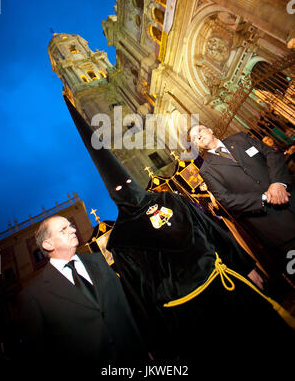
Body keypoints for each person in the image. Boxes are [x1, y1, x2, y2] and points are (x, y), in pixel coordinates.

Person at [63, 96, 294, 370]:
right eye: (119, 188)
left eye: (128, 180)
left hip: (225, 285)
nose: (126, 186)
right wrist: (159, 343)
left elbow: (213, 230)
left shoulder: (171, 199)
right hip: (187, 314)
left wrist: (246, 266)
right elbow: (138, 294)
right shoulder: (119, 240)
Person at [18, 215, 147, 368]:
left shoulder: (100, 260)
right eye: (63, 230)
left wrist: (145, 350)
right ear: (48, 244)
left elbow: (125, 307)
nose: (72, 230)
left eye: (71, 226)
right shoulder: (34, 295)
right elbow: (40, 354)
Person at [188, 124, 295, 285]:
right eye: (194, 138)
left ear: (210, 130)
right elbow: (226, 200)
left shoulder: (240, 138)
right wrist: (265, 197)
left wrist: (278, 183)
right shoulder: (207, 170)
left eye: (200, 131)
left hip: (290, 197)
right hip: (274, 223)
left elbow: (271, 154)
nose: (199, 136)